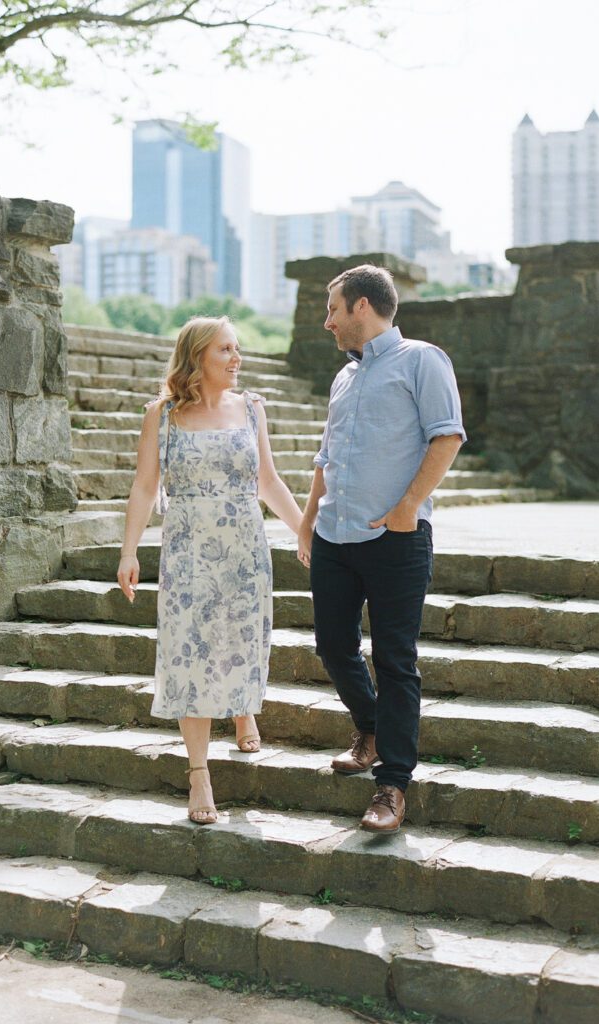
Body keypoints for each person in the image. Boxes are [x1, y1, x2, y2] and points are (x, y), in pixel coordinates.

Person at [297, 265, 466, 834]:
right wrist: (306, 521)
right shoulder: (343, 378)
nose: (327, 322)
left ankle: (392, 784)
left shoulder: (422, 360)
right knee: (332, 644)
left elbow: (448, 435)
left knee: (395, 660)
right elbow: (326, 456)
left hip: (396, 539)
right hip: (334, 536)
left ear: (362, 307)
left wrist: (408, 506)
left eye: (333, 310)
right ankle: (369, 729)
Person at [118, 316, 304, 824]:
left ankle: (244, 707)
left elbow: (268, 481)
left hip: (244, 546)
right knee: (188, 651)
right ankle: (199, 774)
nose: (237, 358)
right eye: (226, 349)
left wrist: (304, 531)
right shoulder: (162, 414)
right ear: (197, 355)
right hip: (188, 549)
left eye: (237, 349)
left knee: (242, 638)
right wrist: (129, 551)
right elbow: (143, 487)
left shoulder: (252, 410)